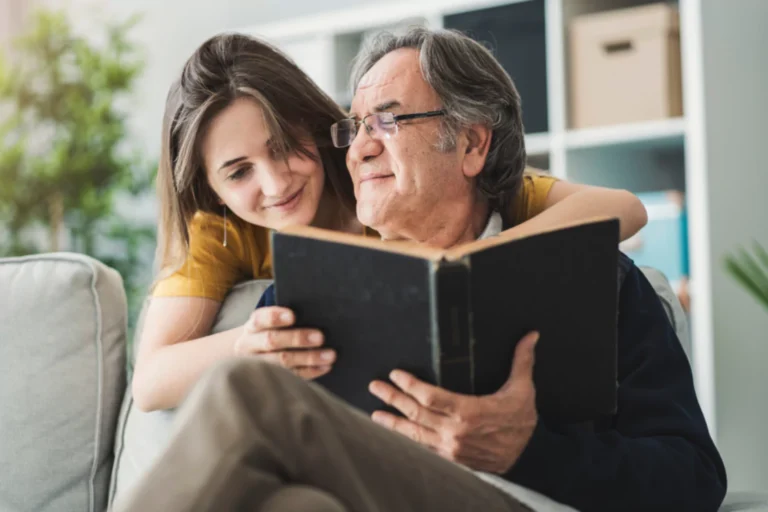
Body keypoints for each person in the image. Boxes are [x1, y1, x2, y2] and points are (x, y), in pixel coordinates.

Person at [114, 28, 727, 512]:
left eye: (386, 119)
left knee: (242, 388)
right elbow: (159, 380)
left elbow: (694, 480)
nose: (357, 147)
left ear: (471, 145)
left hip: (515, 499)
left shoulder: (602, 280)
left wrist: (530, 450)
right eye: (353, 128)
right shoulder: (305, 292)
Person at [131, 32, 649, 413]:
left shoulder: (392, 176)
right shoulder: (224, 231)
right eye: (239, 172)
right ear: (211, 191)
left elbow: (625, 207)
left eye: (285, 147)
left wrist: (476, 264)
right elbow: (151, 381)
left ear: (314, 127)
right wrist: (247, 346)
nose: (275, 183)